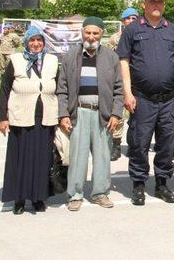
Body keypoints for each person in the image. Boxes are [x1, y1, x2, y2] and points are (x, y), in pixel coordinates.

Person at [117, 0, 174, 206]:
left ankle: (162, 183)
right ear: (144, 4)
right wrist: (127, 92)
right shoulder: (132, 30)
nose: (156, 5)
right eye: (152, 1)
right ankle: (138, 185)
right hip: (142, 98)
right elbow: (124, 61)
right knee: (139, 143)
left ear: (164, 5)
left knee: (168, 143)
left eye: (160, 2)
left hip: (169, 100)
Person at [57, 17, 124, 211]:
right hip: (79, 112)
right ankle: (75, 194)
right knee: (77, 156)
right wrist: (63, 114)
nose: (92, 37)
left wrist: (116, 114)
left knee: (102, 156)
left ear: (102, 34)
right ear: (82, 32)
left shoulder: (111, 57)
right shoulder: (70, 56)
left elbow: (118, 90)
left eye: (96, 33)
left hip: (102, 114)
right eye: (88, 32)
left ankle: (100, 193)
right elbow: (62, 89)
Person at [0, 26, 58, 214]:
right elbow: (5, 88)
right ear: (26, 42)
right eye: (32, 40)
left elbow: (60, 87)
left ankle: (39, 197)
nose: (36, 44)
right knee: (21, 159)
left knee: (42, 159)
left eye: (39, 40)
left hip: (45, 117)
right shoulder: (16, 60)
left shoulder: (52, 60)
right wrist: (2, 117)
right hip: (20, 117)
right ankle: (20, 199)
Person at [106, 7, 138, 161]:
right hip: (118, 79)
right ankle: (116, 144)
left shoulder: (141, 35)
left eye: (134, 18)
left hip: (136, 80)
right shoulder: (115, 38)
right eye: (128, 18)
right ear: (122, 21)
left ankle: (133, 144)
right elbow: (108, 58)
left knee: (136, 114)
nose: (131, 21)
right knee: (117, 112)